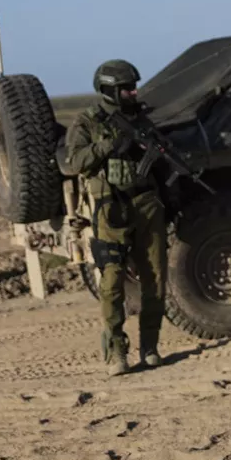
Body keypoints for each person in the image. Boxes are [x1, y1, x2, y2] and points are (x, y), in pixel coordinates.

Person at [59, 59, 170, 376]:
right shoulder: (89, 122)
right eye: (126, 89)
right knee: (111, 283)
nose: (133, 93)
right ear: (109, 90)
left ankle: (150, 347)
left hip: (147, 204)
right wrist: (111, 145)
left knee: (156, 281)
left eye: (134, 87)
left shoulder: (142, 120)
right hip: (110, 207)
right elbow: (75, 160)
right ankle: (117, 353)